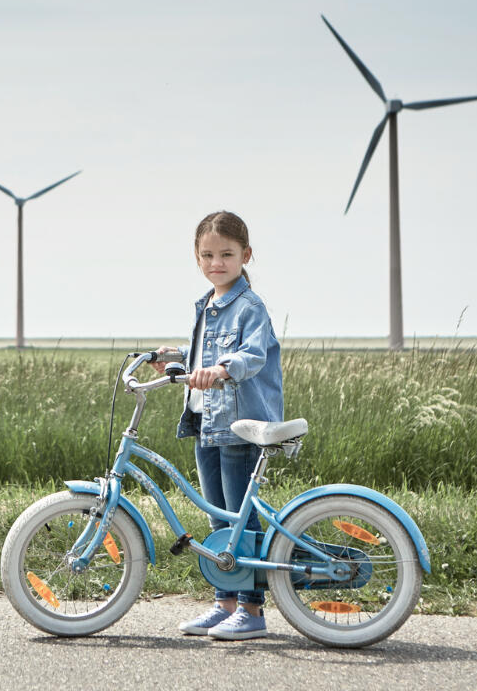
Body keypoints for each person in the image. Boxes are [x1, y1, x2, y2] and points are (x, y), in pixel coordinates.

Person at [150, 210, 283, 641]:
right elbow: (198, 362)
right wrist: (171, 360)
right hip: (205, 422)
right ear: (196, 257)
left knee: (240, 519)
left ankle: (252, 610)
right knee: (217, 517)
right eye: (207, 255)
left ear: (246, 255)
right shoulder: (205, 305)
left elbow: (252, 354)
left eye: (226, 254)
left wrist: (225, 368)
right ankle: (224, 603)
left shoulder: (250, 306)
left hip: (240, 424)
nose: (216, 263)